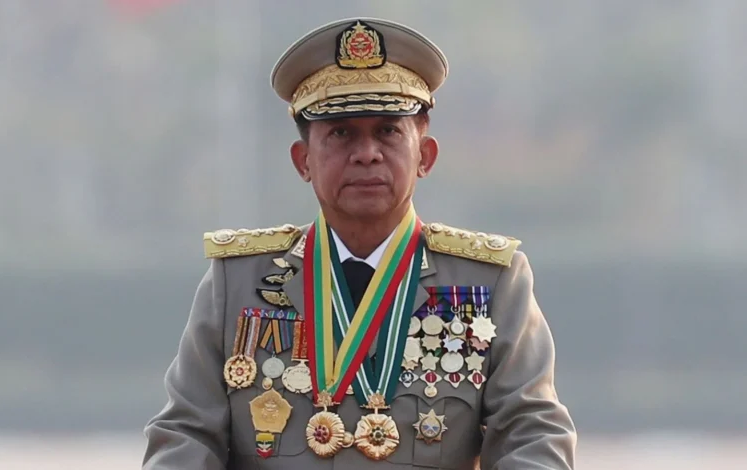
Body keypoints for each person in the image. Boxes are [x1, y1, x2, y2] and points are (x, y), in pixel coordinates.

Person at [142, 17, 576, 470]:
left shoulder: (489, 281)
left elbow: (533, 431)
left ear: (425, 155)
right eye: (341, 133)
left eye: (388, 131)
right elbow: (185, 434)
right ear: (303, 161)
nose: (367, 153)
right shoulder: (237, 282)